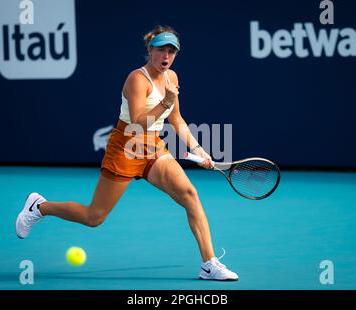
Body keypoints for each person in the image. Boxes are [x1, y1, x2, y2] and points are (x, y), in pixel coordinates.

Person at [15, 25, 238, 281]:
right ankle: (40, 207)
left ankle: (208, 264)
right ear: (150, 50)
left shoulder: (171, 78)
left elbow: (176, 119)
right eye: (161, 50)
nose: (166, 56)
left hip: (153, 145)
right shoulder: (137, 79)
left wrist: (199, 150)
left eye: (171, 51)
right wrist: (165, 101)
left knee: (190, 194)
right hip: (126, 145)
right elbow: (137, 122)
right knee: (94, 216)